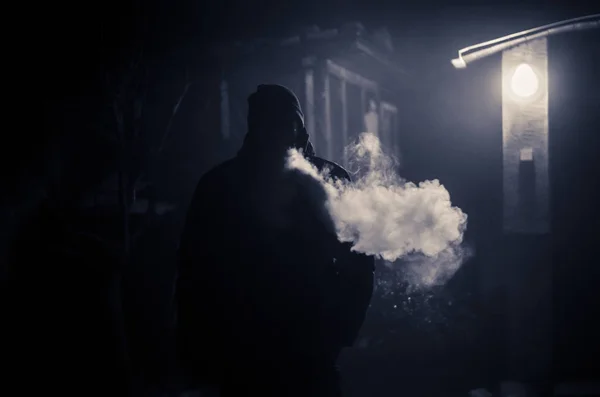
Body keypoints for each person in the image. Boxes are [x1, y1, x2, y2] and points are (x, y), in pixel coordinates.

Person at [175, 84, 374, 397]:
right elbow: (195, 271)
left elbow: (359, 261)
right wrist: (199, 348)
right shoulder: (221, 185)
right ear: (254, 127)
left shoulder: (330, 178)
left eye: (284, 122)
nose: (277, 132)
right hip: (243, 344)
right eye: (267, 123)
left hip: (311, 342)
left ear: (298, 125)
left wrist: (341, 328)